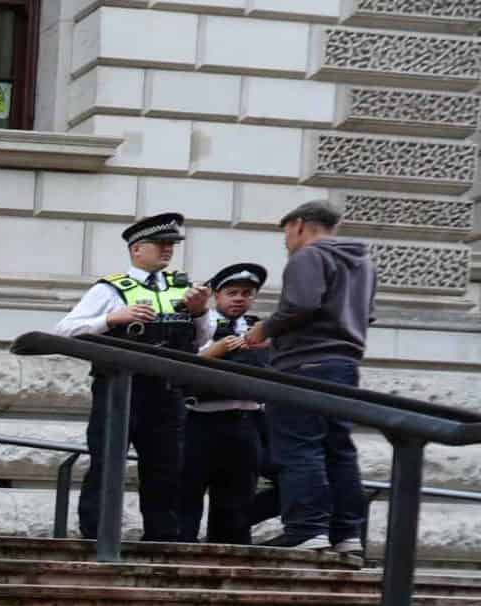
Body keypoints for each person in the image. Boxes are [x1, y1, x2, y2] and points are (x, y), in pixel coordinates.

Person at [55, 212, 211, 544]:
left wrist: (200, 312)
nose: (168, 250)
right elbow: (65, 330)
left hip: (168, 391)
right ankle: (96, 534)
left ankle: (164, 536)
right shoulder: (110, 289)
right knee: (108, 460)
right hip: (120, 389)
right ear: (137, 249)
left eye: (172, 245)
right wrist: (112, 318)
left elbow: (201, 340)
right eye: (161, 244)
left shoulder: (181, 287)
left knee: (166, 466)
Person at [241, 199, 377, 562]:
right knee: (339, 448)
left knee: (299, 446)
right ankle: (347, 533)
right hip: (344, 364)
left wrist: (266, 328)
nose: (286, 241)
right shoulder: (362, 262)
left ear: (299, 225)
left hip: (303, 365)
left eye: (286, 232)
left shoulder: (308, 256)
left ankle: (307, 528)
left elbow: (301, 305)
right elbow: (365, 315)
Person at [182, 262, 270, 545]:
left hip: (247, 422)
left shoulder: (260, 330)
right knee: (186, 494)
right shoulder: (198, 327)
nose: (239, 298)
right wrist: (215, 352)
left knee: (237, 501)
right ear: (216, 296)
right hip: (202, 420)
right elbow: (183, 367)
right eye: (232, 292)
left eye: (246, 293)